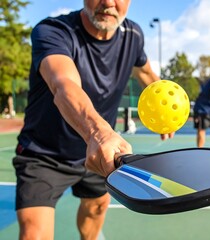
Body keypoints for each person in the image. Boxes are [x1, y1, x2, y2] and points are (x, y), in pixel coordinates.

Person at [12, 1, 173, 239]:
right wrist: (100, 133)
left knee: (96, 209)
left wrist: (165, 111)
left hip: (98, 153)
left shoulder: (133, 35)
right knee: (34, 234)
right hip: (44, 154)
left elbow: (147, 74)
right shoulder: (54, 31)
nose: (108, 2)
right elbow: (63, 84)